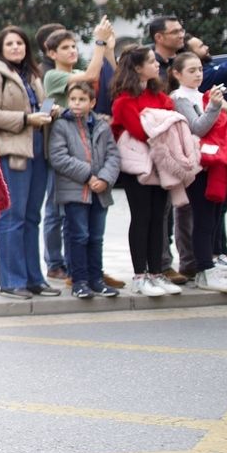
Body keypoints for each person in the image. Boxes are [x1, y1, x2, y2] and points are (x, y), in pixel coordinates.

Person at [0, 26, 60, 300]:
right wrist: (27, 119)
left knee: (31, 218)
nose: (16, 47)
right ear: (1, 48)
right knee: (12, 217)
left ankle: (34, 279)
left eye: (20, 43)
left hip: (38, 149)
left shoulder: (32, 74)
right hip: (12, 151)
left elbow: (40, 106)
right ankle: (11, 281)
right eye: (10, 44)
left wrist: (50, 110)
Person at [41, 20, 116, 284]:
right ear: (52, 53)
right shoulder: (53, 75)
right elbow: (91, 76)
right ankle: (56, 264)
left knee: (78, 219)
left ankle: (81, 268)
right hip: (61, 152)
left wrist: (108, 49)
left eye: (74, 46)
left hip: (83, 151)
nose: (72, 51)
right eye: (65, 47)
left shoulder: (76, 74)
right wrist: (99, 42)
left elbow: (105, 78)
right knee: (56, 211)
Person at [110, 46, 184, 297]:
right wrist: (162, 123)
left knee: (159, 218)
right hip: (137, 168)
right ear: (137, 68)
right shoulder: (124, 101)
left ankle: (156, 273)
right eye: (151, 62)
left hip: (161, 165)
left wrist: (160, 123)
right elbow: (143, 132)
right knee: (142, 218)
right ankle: (139, 275)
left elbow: (169, 119)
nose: (157, 65)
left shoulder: (159, 96)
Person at [167, 54, 227, 293]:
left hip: (215, 163)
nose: (198, 74)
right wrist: (215, 107)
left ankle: (208, 265)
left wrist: (221, 107)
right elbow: (197, 128)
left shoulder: (202, 95)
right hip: (197, 167)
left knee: (214, 217)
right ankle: (204, 269)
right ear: (177, 74)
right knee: (203, 219)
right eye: (191, 70)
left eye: (199, 69)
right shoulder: (179, 98)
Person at [47, 79, 120, 299]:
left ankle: (96, 279)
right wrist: (88, 176)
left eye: (82, 99)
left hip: (100, 192)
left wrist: (104, 178)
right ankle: (79, 281)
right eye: (73, 99)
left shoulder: (102, 126)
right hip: (75, 191)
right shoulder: (61, 125)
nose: (76, 103)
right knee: (78, 236)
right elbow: (58, 157)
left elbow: (113, 155)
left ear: (92, 102)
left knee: (96, 237)